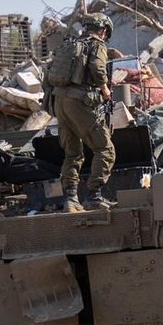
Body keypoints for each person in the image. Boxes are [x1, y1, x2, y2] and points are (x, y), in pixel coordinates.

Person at [47, 13, 116, 212]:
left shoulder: (69, 45)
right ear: (103, 30)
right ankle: (94, 196)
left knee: (72, 153)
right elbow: (97, 68)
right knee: (105, 149)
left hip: (60, 102)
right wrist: (104, 89)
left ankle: (71, 199)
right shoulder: (97, 45)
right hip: (79, 103)